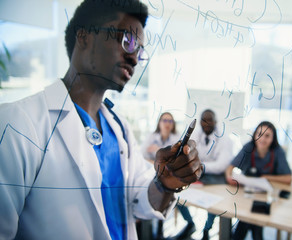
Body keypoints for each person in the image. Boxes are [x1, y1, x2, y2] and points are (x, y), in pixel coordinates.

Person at [0, 1, 203, 239]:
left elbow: (141, 202)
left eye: (139, 51)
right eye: (128, 40)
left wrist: (165, 183)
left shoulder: (120, 129)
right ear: (85, 36)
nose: (135, 59)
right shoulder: (17, 123)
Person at [225, 121, 292, 240]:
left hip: (267, 197)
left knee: (246, 222)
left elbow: (288, 178)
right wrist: (230, 178)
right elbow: (230, 168)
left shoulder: (278, 151)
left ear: (273, 138)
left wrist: (267, 177)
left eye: (267, 136)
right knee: (250, 222)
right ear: (254, 135)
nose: (262, 138)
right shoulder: (248, 147)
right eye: (259, 134)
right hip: (247, 194)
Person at [141, 112, 195, 239]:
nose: (167, 124)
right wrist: (158, 161)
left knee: (172, 193)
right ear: (159, 122)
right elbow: (142, 155)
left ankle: (163, 228)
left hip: (169, 177)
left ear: (173, 125)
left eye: (170, 121)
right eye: (164, 120)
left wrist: (156, 151)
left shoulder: (176, 139)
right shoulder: (152, 136)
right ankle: (156, 228)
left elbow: (172, 162)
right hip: (150, 175)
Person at [191, 109, 234, 240]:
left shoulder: (225, 139)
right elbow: (189, 157)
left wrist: (201, 165)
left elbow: (221, 165)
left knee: (214, 202)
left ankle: (207, 228)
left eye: (210, 120)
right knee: (177, 192)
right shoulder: (195, 135)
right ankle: (189, 223)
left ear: (216, 122)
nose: (206, 123)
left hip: (217, 177)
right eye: (204, 119)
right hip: (199, 174)